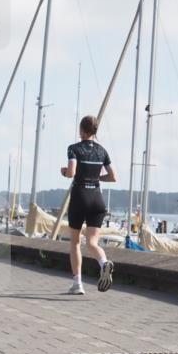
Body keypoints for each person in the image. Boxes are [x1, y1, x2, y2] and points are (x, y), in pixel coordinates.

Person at [61, 115, 117, 295]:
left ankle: (77, 284)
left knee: (75, 242)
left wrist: (64, 172)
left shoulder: (74, 149)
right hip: (97, 199)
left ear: (82, 130)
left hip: (80, 197)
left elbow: (71, 172)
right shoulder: (102, 151)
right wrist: (96, 177)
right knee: (92, 242)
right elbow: (113, 177)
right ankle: (103, 262)